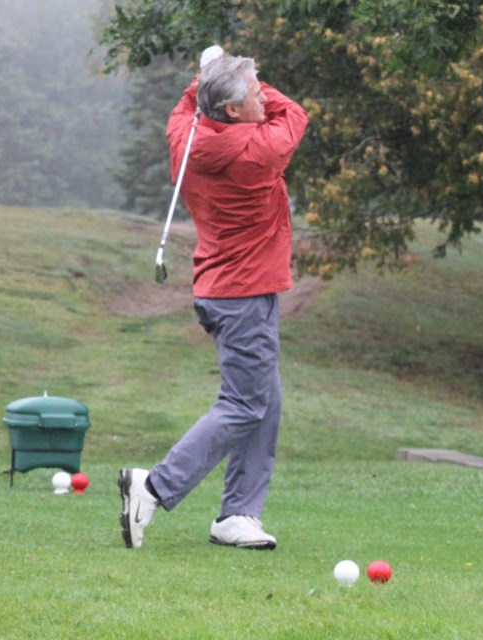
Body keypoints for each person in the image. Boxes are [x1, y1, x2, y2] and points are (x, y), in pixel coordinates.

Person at [119, 49, 308, 550]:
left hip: (223, 289)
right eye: (254, 91)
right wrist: (220, 71)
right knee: (246, 404)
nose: (264, 93)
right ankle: (154, 486)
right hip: (244, 294)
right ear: (230, 110)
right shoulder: (258, 151)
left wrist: (210, 73)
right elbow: (296, 114)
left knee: (265, 402)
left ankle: (238, 515)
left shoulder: (188, 137)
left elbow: (185, 106)